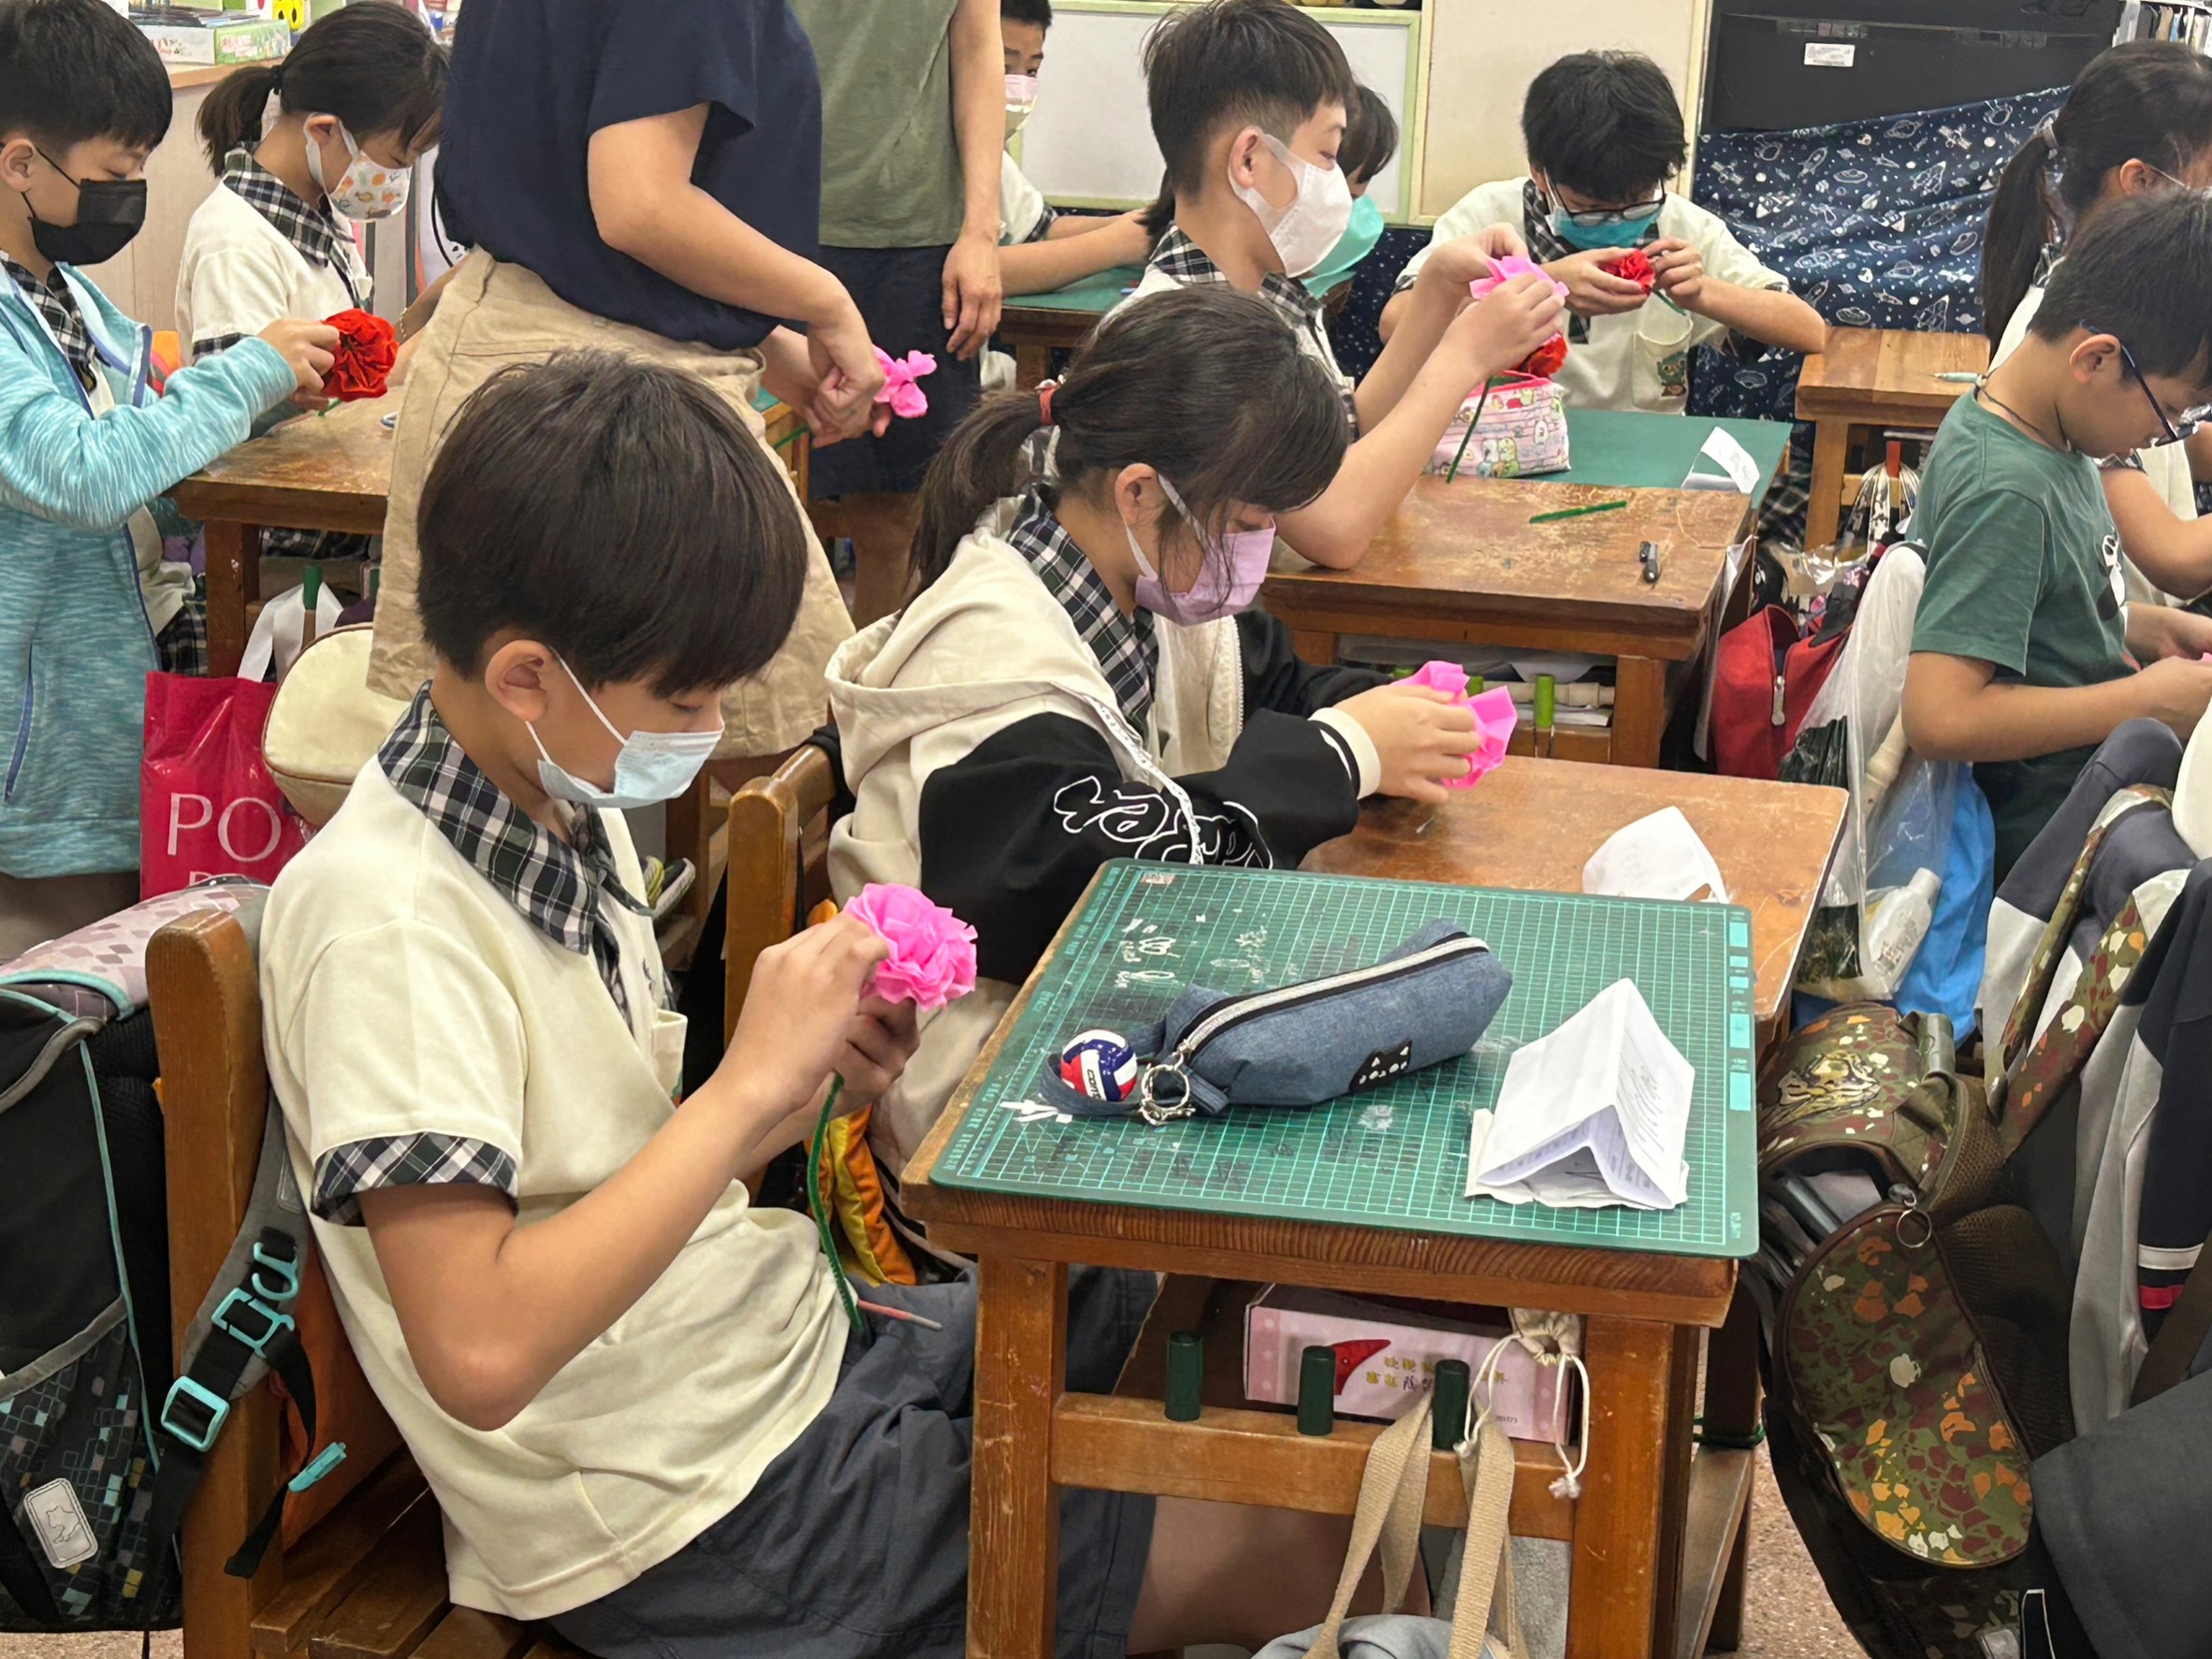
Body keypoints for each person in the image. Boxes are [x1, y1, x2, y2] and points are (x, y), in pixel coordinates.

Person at [267, 349, 1396, 1659]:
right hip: (678, 1507)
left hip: (770, 1350)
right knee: (1318, 1540)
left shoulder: (549, 802)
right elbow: (477, 1347)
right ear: (527, 675)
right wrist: (744, 1089)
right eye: (683, 699)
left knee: (1156, 1320)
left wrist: (792, 1087)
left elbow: (597, 1169)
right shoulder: (389, 923)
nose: (702, 726)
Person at [829, 286, 1489, 1173]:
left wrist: (1399, 713)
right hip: (985, 1094)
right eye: (1253, 524)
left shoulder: (1133, 584)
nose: (1260, 548)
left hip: (1093, 1023)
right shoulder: (993, 665)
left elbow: (1276, 682)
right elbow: (1120, 891)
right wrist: (1345, 750)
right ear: (1140, 491)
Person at [363, 0, 873, 765]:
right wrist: (824, 303)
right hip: (594, 401)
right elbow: (638, 206)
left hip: (524, 345)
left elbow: (568, 192)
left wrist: (764, 338)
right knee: (747, 750)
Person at [0, 0, 332, 956]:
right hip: (36, 763)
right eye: (116, 174)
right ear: (21, 163)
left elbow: (145, 438)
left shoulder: (63, 291)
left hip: (103, 719)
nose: (133, 192)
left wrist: (265, 400)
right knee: (53, 1036)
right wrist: (247, 371)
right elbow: (82, 474)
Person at [1122, 0, 1560, 570]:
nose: (1335, 187)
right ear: (1250, 160)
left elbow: (1347, 436)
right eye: (1327, 155)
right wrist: (1466, 355)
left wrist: (1437, 291)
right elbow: (1333, 528)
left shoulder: (1270, 298)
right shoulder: (1188, 336)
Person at [1903, 191, 2212, 880]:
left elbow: (2032, 614)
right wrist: (2142, 699)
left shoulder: (2048, 434)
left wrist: (2150, 629)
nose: (2161, 439)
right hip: (2047, 843)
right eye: (2171, 414)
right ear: (2098, 358)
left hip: (2088, 790)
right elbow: (1939, 715)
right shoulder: (2009, 489)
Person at [1381, 50, 1826, 414]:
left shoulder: (1685, 229)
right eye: (1591, 206)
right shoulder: (1490, 218)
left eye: (1638, 198)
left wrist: (1702, 293)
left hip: (1645, 468)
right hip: (1499, 456)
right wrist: (1545, 284)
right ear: (1540, 173)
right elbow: (1395, 323)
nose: (1617, 218)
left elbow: (1807, 331)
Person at [178, 0, 446, 574]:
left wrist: (423, 313)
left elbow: (343, 352)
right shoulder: (235, 239)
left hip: (336, 495)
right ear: (324, 130)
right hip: (286, 534)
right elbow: (248, 421)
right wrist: (430, 345)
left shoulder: (317, 212)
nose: (397, 181)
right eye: (397, 160)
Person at [793, 0, 1007, 619]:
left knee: (900, 523)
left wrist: (981, 231)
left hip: (912, 236)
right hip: (768, 213)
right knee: (753, 500)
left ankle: (869, 709)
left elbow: (977, 47)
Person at [1981, 40, 2212, 606]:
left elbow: (2189, 441)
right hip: (2116, 668)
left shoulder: (2128, 307)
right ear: (2141, 182)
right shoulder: (2074, 337)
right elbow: (2175, 558)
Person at [997, 0, 1154, 298]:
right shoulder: (923, 161)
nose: (1018, 86)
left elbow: (1040, 229)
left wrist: (1149, 223)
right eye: (1004, 67)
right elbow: (973, 271)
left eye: (1031, 71)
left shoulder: (994, 160)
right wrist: (1120, 243)